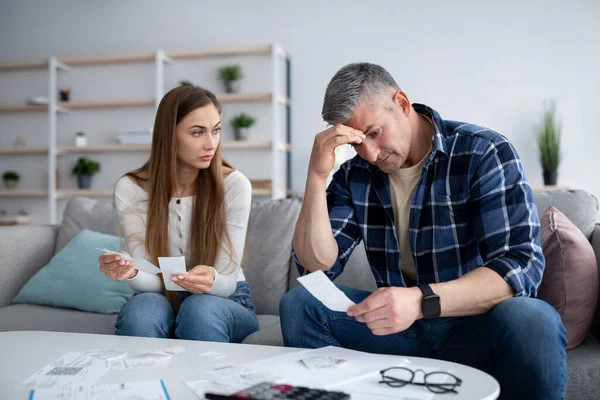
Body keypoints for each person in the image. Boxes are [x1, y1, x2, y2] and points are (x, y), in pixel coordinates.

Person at [280, 63, 567, 399]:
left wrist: (421, 301)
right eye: (357, 143)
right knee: (301, 303)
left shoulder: (482, 151)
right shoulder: (354, 174)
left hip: (472, 326)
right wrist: (316, 176)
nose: (370, 153)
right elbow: (317, 267)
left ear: (401, 103)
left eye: (373, 133)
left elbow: (521, 265)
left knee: (532, 319)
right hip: (396, 333)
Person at [99, 85, 258, 343]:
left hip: (225, 298)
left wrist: (211, 281)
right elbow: (151, 284)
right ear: (169, 136)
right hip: (161, 296)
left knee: (199, 310)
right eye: (197, 132)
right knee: (141, 313)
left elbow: (227, 282)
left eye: (216, 130)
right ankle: (142, 382)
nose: (211, 143)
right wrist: (132, 273)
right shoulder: (131, 188)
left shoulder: (235, 184)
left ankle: (207, 384)